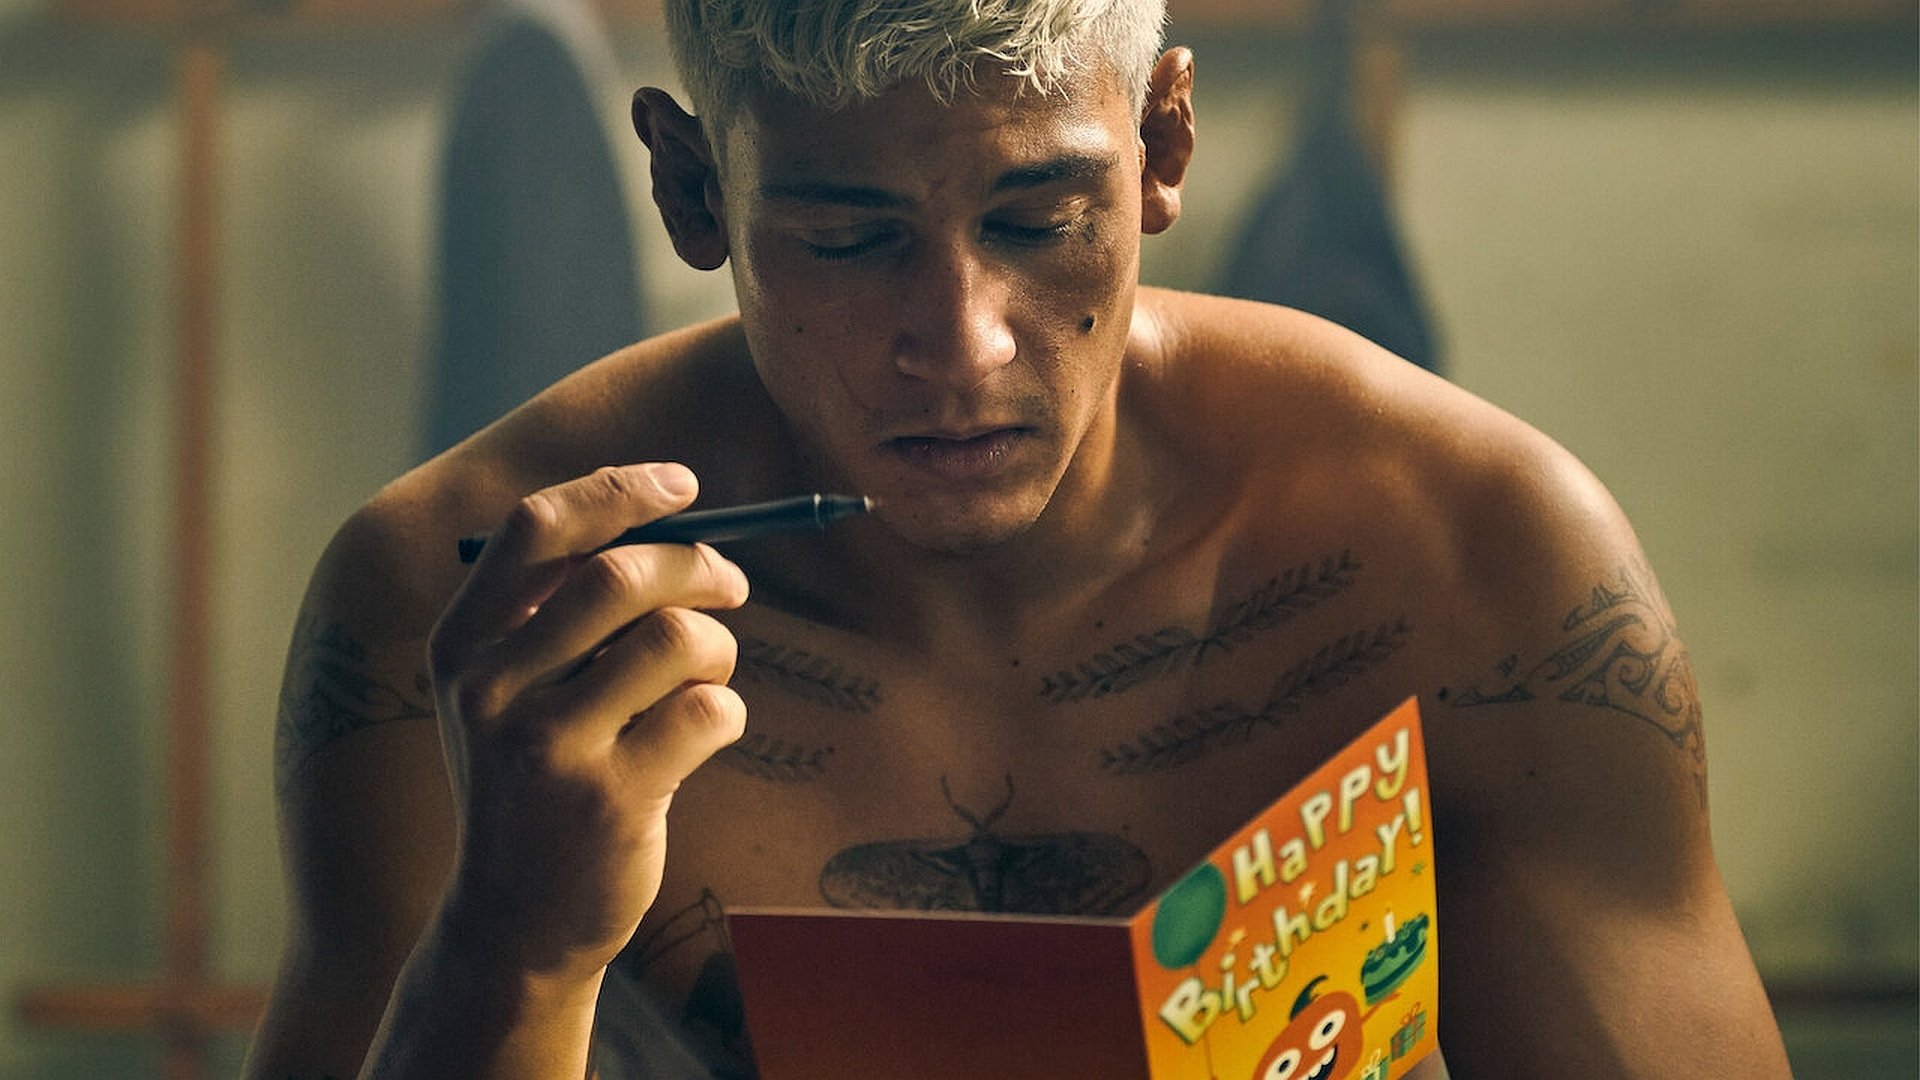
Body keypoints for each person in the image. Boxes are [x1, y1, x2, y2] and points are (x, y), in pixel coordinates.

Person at [242, 1, 1794, 1077]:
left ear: (1163, 144)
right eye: (850, 240)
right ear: (693, 187)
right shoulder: (462, 610)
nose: (963, 345)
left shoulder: (1465, 558)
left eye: (1038, 222)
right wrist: (513, 948)